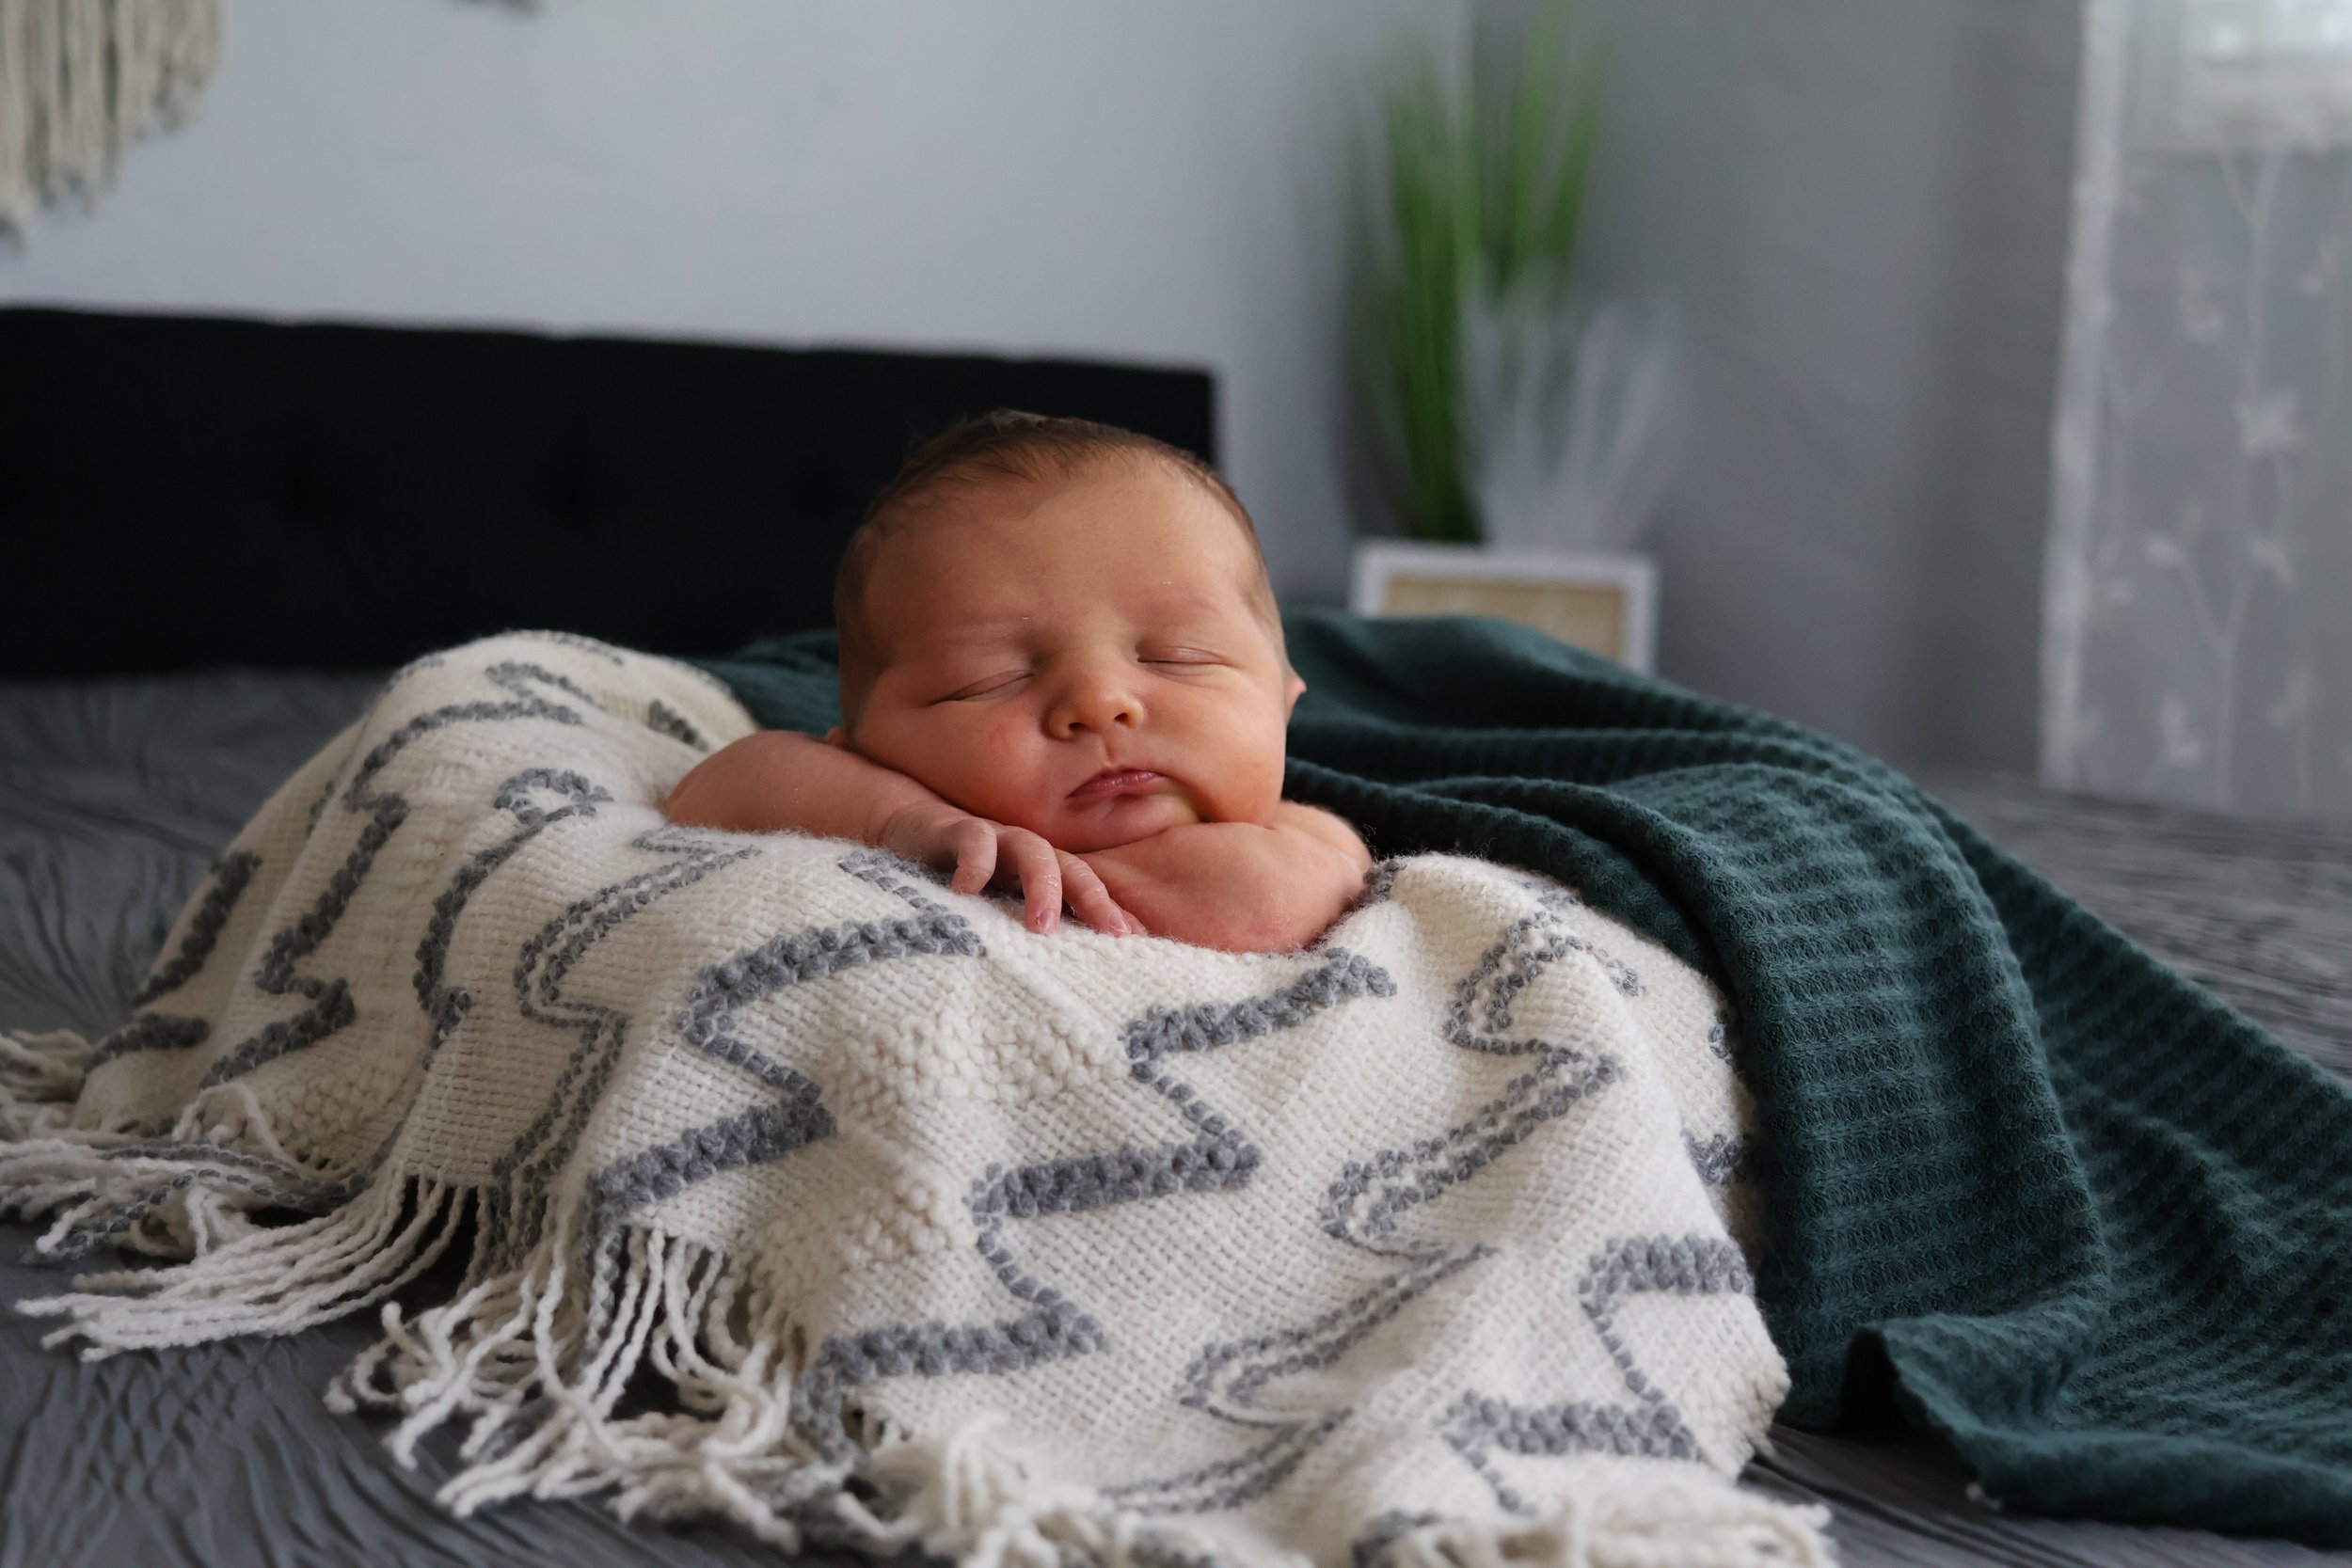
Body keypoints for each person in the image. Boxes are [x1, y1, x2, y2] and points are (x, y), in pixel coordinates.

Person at [664, 412, 1374, 954]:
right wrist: (897, 820)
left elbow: (1267, 902)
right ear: (868, 749)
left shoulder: (1311, 840)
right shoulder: (908, 814)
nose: (1099, 702)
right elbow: (710, 789)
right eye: (988, 680)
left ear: (1285, 699)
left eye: (1178, 656)